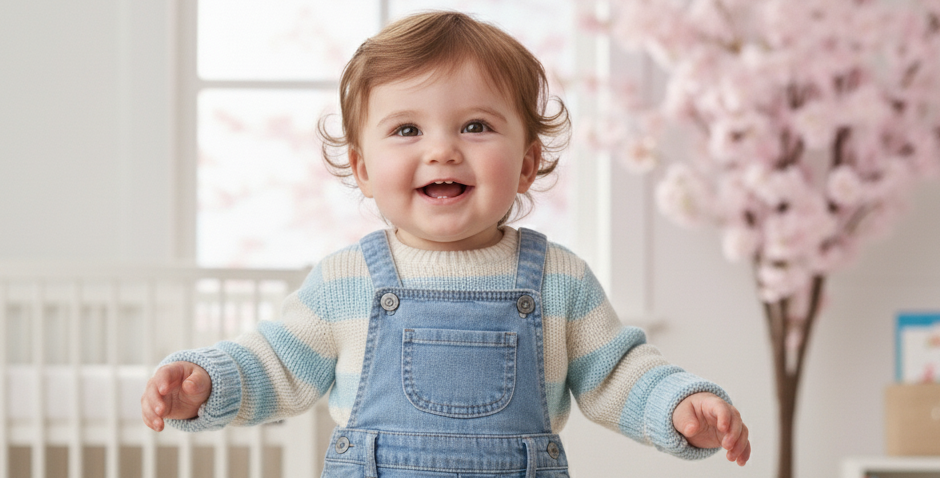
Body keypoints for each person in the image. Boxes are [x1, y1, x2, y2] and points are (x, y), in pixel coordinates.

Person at [141, 11, 751, 476]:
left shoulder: (558, 279)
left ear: (526, 164)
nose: (442, 150)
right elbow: (275, 363)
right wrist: (208, 383)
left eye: (476, 126)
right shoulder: (345, 281)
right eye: (407, 129)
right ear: (362, 168)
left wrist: (678, 405)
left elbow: (616, 373)